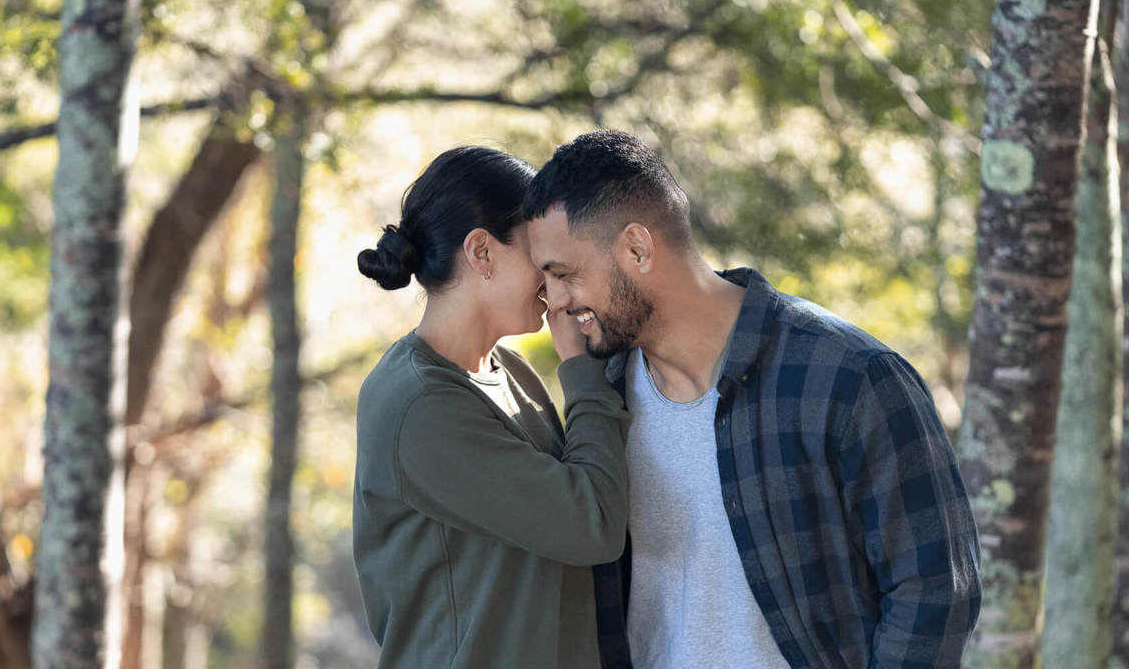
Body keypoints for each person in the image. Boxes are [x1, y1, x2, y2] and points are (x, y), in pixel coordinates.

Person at [522, 130, 981, 669]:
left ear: (637, 248)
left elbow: (935, 590)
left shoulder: (851, 379)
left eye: (564, 274)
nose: (554, 302)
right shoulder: (605, 400)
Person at [353, 145, 631, 669]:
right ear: (481, 251)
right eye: (539, 255)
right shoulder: (420, 404)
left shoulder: (510, 370)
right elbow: (591, 523)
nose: (555, 279)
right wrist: (581, 371)